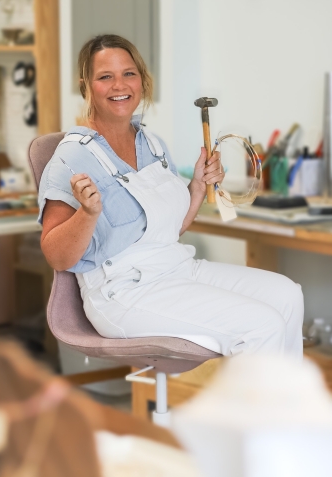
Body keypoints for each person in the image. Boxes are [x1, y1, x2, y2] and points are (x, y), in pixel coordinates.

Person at [39, 34, 303, 357]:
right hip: (123, 292)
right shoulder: (71, 159)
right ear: (86, 86)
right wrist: (87, 214)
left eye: (129, 74)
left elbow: (169, 230)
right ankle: (252, 408)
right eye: (105, 77)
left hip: (176, 268)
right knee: (262, 325)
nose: (119, 85)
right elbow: (56, 256)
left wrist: (197, 185)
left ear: (142, 80)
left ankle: (286, 406)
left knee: (288, 295)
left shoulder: (151, 144)